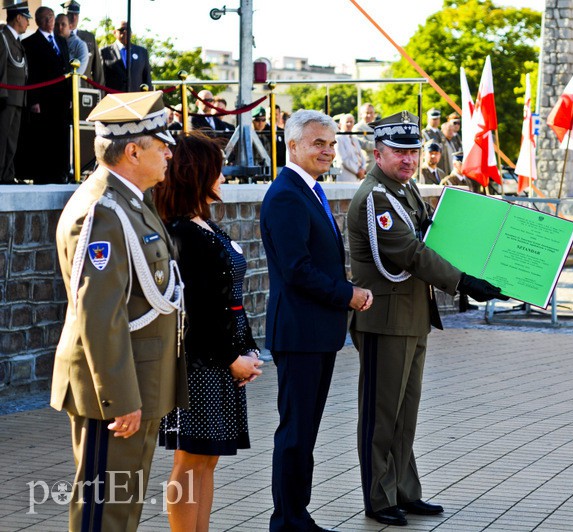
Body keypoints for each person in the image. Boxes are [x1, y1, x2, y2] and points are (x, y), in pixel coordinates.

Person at [347, 111, 506, 526]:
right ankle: (379, 499)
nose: (408, 159)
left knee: (406, 413)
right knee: (381, 415)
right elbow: (411, 254)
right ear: (378, 153)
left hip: (412, 316)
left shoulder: (405, 189)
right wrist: (464, 281)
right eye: (399, 152)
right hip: (384, 319)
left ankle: (404, 490)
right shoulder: (376, 197)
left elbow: (434, 234)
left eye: (413, 151)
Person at [50, 91, 188, 531]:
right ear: (132, 150)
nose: (169, 152)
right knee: (103, 512)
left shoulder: (130, 202)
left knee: (122, 507)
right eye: (161, 143)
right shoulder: (104, 210)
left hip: (139, 382)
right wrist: (121, 399)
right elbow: (99, 313)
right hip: (115, 390)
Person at [260, 109, 373, 532]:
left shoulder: (308, 189)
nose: (328, 151)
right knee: (295, 433)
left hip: (316, 332)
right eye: (318, 143)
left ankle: (296, 514)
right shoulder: (288, 193)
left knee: (304, 432)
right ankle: (287, 519)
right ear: (293, 146)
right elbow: (297, 269)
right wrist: (349, 293)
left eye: (331, 143)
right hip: (301, 332)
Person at [153, 132, 264, 531]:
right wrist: (232, 357)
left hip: (223, 357)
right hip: (200, 362)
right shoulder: (181, 231)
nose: (223, 174)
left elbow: (230, 298)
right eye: (216, 167)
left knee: (208, 458)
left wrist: (248, 349)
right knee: (190, 458)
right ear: (197, 173)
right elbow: (196, 312)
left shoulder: (204, 225)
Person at [18, 5, 70, 184]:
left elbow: (67, 69)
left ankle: (61, 172)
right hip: (43, 98)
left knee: (61, 135)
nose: (49, 21)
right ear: (38, 21)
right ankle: (44, 174)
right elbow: (30, 74)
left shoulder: (62, 41)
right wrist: (33, 100)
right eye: (45, 18)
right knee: (44, 137)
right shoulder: (30, 43)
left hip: (61, 98)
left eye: (51, 17)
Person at [0, 2, 30, 184]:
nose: (27, 23)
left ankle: (7, 174)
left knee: (11, 140)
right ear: (18, 17)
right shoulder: (3, 38)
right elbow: (1, 68)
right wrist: (2, 94)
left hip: (18, 98)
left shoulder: (16, 41)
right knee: (2, 139)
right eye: (26, 18)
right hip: (6, 97)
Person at [100, 21, 152, 92]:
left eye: (128, 29)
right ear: (114, 32)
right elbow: (100, 78)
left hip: (137, 98)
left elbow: (147, 78)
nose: (125, 32)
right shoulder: (104, 52)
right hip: (114, 98)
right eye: (121, 30)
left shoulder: (142, 52)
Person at [62, 0, 104, 86]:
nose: (73, 18)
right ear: (64, 15)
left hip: (84, 89)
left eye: (76, 15)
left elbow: (97, 69)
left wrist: (101, 92)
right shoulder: (58, 37)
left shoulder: (89, 37)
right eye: (70, 14)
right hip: (62, 88)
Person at [334, 113, 366, 182]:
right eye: (347, 122)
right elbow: (343, 159)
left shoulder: (354, 138)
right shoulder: (338, 139)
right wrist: (357, 171)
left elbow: (361, 155)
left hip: (358, 178)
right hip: (346, 176)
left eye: (351, 122)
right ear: (340, 124)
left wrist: (363, 169)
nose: (349, 124)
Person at [353, 102, 376, 170]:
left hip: (379, 164)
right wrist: (382, 144)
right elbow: (364, 144)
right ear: (361, 114)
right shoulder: (358, 128)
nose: (369, 115)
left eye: (371, 113)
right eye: (367, 113)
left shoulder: (376, 126)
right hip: (367, 165)